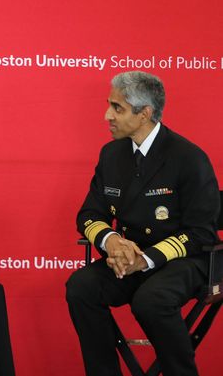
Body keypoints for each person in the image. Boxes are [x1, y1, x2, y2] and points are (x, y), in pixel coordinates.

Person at [65, 71, 220, 376]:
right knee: (81, 287)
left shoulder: (188, 157)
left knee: (151, 300)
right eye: (109, 105)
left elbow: (202, 231)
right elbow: (88, 215)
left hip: (184, 262)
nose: (107, 115)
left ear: (145, 113)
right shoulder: (111, 154)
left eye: (117, 108)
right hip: (128, 259)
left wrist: (145, 259)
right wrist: (112, 242)